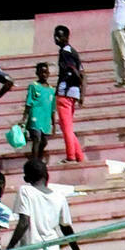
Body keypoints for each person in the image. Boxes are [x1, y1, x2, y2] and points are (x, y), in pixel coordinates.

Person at [51, 26, 86, 162]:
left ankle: (71, 156)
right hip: (73, 93)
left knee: (66, 127)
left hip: (65, 92)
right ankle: (79, 155)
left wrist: (76, 81)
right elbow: (82, 72)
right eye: (55, 35)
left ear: (66, 37)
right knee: (68, 127)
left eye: (59, 36)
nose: (56, 38)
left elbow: (73, 70)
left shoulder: (65, 52)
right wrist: (81, 92)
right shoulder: (73, 52)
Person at [21, 64, 57, 170]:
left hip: (45, 118)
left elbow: (53, 108)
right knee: (36, 137)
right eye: (41, 72)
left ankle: (38, 160)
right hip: (35, 116)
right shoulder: (33, 86)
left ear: (49, 74)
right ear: (37, 73)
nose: (44, 74)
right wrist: (24, 118)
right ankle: (34, 163)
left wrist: (54, 124)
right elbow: (29, 103)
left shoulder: (51, 90)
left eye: (46, 72)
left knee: (44, 141)